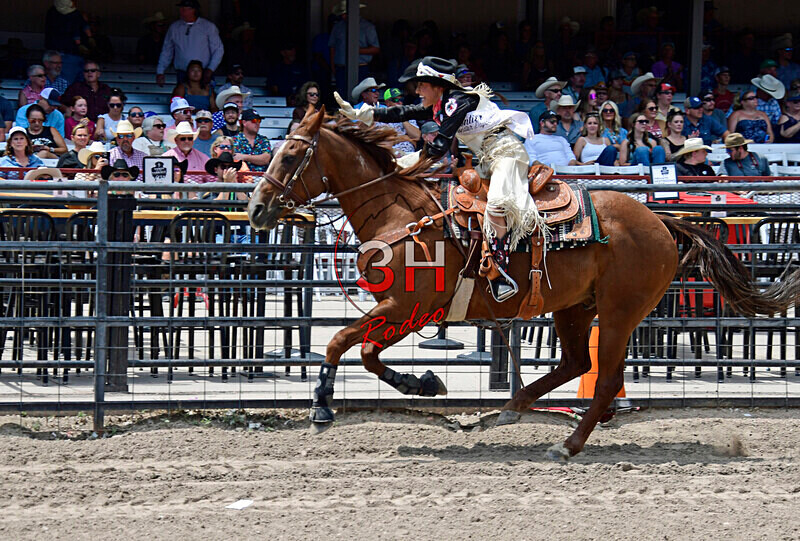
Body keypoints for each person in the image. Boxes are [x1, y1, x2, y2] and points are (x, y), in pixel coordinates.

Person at [335, 56, 538, 302]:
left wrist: (403, 164)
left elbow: (439, 146)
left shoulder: (456, 102)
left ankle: (500, 272)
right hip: (487, 159)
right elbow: (402, 111)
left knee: (497, 203)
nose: (417, 90)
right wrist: (362, 113)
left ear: (437, 85)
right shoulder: (444, 102)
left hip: (507, 155)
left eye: (422, 84)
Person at [156, 0, 223, 87]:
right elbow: (167, 50)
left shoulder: (208, 27)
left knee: (205, 98)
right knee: (182, 99)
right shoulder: (174, 27)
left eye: (184, 9)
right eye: (181, 8)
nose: (181, 11)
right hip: (182, 73)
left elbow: (218, 49)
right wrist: (160, 71)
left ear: (193, 10)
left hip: (204, 72)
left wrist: (210, 69)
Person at [328, 1, 380, 97]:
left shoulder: (367, 27)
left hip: (361, 68)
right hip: (341, 69)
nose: (343, 16)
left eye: (345, 14)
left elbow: (376, 49)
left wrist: (357, 51)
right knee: (341, 98)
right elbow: (332, 48)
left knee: (361, 97)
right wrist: (333, 68)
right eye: (342, 14)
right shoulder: (337, 27)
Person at [44, 0, 92, 84]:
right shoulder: (64, 15)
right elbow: (79, 30)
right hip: (66, 54)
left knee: (77, 87)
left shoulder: (55, 13)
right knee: (66, 86)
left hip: (75, 55)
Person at [380, 87, 419, 156]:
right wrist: (403, 138)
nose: (400, 102)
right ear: (387, 103)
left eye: (401, 100)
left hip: (409, 154)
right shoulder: (382, 117)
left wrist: (402, 118)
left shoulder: (408, 114)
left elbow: (417, 136)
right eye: (395, 100)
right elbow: (382, 141)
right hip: (389, 154)